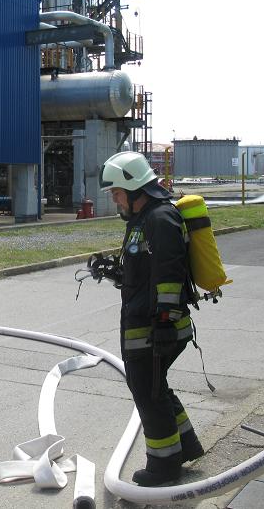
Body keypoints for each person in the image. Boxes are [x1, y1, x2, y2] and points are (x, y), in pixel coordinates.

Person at [96, 151, 204, 486]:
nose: (114, 199)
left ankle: (163, 466)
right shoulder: (142, 221)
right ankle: (184, 446)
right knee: (156, 388)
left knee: (148, 393)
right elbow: (147, 270)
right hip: (148, 323)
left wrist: (164, 322)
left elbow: (170, 273)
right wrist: (118, 273)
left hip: (156, 328)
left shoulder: (160, 219)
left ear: (133, 189)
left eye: (116, 192)